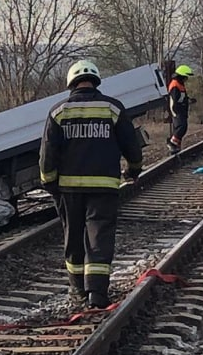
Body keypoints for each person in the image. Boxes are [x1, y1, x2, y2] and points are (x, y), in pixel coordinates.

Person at [39, 59, 145, 309]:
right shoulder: (113, 108)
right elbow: (132, 144)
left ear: (71, 83)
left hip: (69, 189)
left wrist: (49, 183)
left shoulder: (58, 111)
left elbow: (47, 153)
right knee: (99, 237)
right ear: (96, 80)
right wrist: (134, 169)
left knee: (73, 236)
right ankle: (97, 293)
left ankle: (77, 289)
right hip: (104, 187)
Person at [166, 64, 195, 155]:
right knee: (181, 127)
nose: (186, 79)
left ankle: (176, 147)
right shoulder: (175, 85)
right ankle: (172, 143)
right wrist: (175, 111)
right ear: (181, 76)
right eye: (185, 77)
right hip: (177, 111)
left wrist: (189, 100)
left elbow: (182, 97)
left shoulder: (180, 84)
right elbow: (175, 100)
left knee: (181, 127)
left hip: (181, 110)